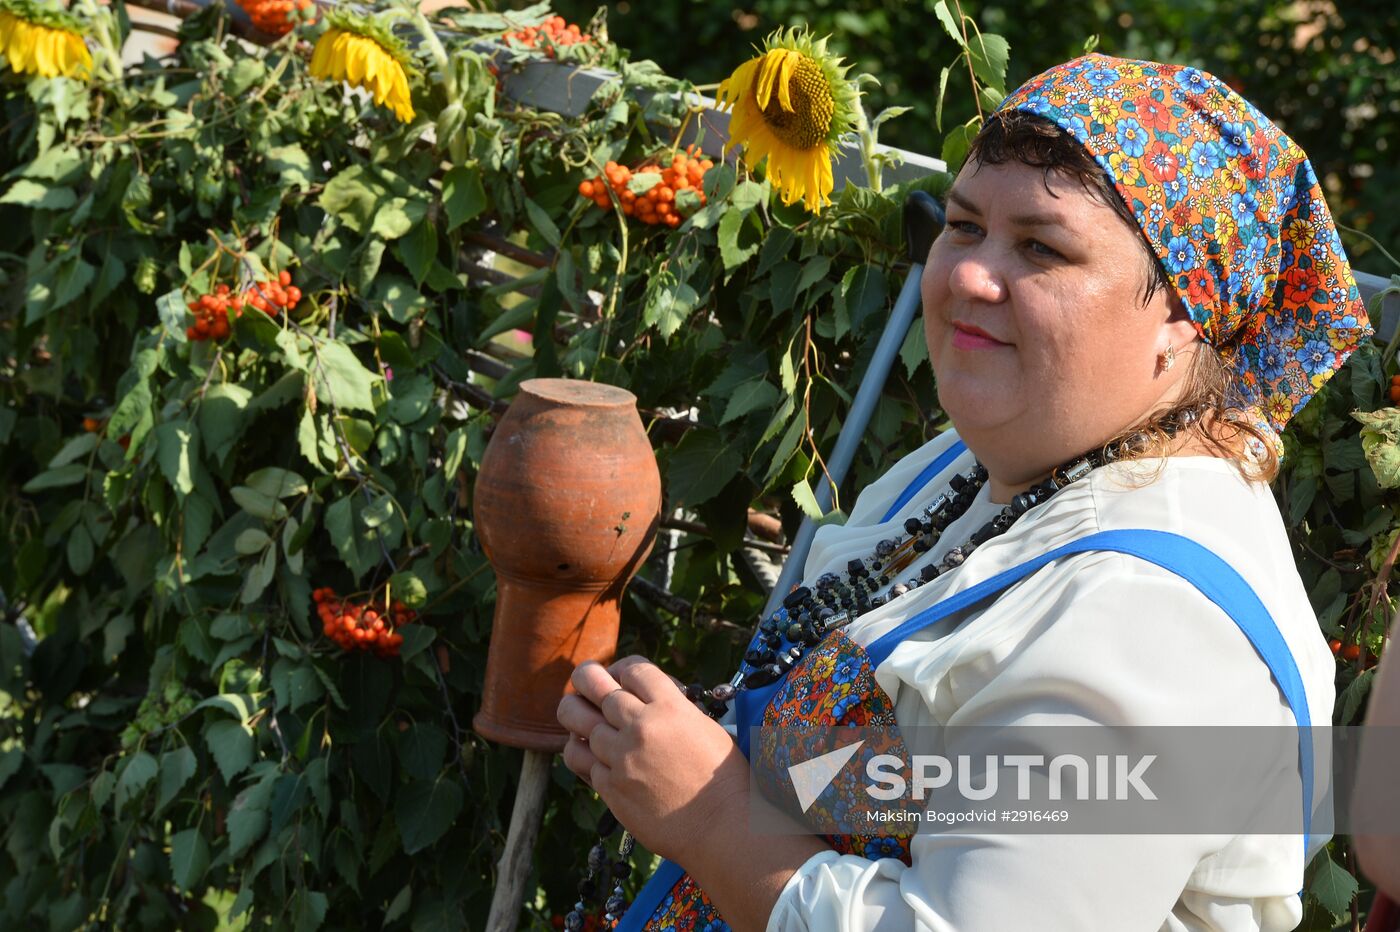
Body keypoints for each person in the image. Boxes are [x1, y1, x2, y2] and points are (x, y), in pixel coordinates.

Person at [557, 52, 1372, 931]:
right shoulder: (983, 466)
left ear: (1183, 315)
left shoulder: (1146, 623)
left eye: (1040, 247)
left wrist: (710, 815)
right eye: (963, 225)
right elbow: (933, 780)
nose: (969, 278)